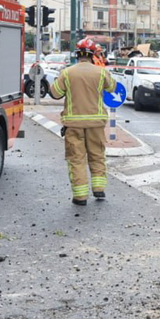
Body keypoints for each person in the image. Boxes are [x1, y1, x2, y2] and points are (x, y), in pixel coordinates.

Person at [49, 38, 118, 206]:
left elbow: (55, 93)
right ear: (93, 54)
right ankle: (99, 189)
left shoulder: (67, 72)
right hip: (96, 124)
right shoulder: (101, 73)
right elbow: (112, 88)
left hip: (74, 125)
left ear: (77, 54)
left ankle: (80, 197)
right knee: (97, 155)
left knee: (77, 159)